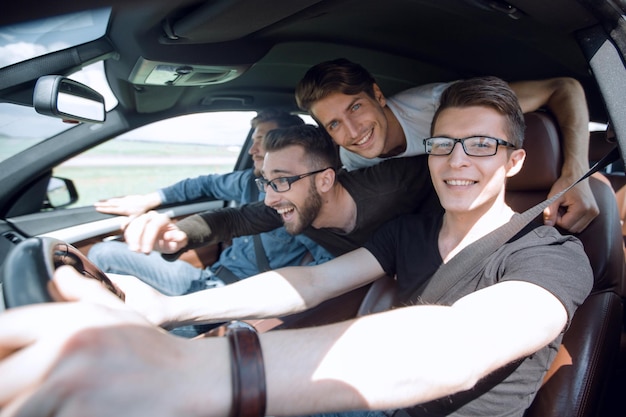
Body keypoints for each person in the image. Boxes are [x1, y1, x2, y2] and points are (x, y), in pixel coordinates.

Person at [0, 76, 593, 417]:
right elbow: (309, 283)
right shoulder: (407, 232)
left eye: (481, 147)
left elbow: (457, 346)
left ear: (516, 161)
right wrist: (161, 310)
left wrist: (190, 368)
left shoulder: (549, 255)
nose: (457, 161)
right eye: (443, 144)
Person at [295, 58, 598, 233]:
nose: (353, 131)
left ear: (377, 94)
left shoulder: (439, 104)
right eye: (333, 123)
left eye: (356, 108)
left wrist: (575, 173)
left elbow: (564, 88)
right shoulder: (352, 156)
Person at [88, 109, 334, 298]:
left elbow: (325, 275)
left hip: (233, 297)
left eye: (263, 140)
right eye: (255, 141)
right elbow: (204, 185)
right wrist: (148, 200)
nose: (253, 150)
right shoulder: (247, 181)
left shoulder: (303, 206)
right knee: (102, 253)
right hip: (207, 277)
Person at [122, 123, 440, 262]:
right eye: (267, 182)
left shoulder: (391, 183)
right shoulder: (288, 203)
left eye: (283, 180)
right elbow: (233, 220)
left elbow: (442, 170)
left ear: (325, 180)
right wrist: (179, 234)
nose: (270, 198)